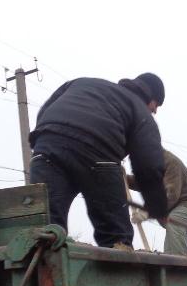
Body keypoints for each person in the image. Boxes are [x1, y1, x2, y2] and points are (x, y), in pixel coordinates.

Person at [28, 73, 169, 249]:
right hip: (99, 155)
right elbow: (149, 165)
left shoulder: (81, 82)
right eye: (157, 105)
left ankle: (43, 269)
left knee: (46, 230)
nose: (155, 111)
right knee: (116, 239)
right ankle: (120, 268)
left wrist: (45, 144)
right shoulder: (139, 110)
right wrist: (158, 207)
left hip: (46, 150)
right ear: (150, 98)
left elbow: (46, 110)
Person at [128, 150, 187, 255]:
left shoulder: (171, 163)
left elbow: (171, 194)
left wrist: (149, 212)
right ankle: (179, 260)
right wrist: (124, 179)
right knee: (176, 237)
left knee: (174, 222)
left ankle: (175, 266)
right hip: (170, 208)